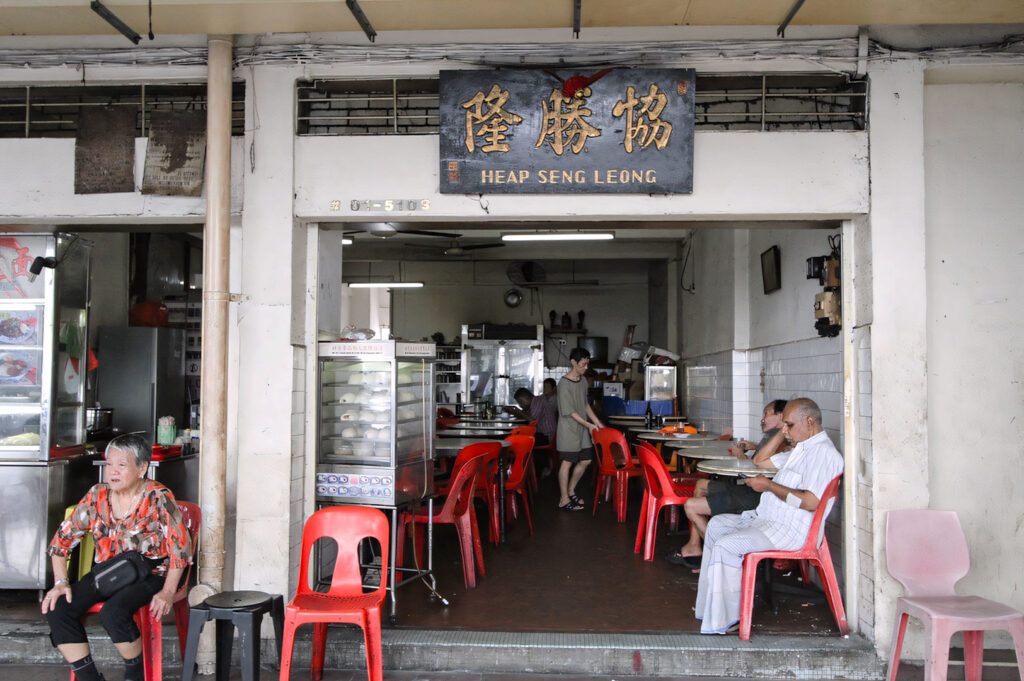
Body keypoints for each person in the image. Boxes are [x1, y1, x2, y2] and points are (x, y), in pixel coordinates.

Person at [42, 433, 191, 681]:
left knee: (113, 612)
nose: (113, 471)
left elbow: (180, 548)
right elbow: (60, 543)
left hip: (153, 572)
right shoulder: (96, 496)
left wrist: (167, 591)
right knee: (58, 608)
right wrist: (60, 583)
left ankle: (136, 672)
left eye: (122, 465)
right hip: (110, 572)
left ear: (142, 468)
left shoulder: (158, 497)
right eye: (109, 464)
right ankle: (90, 678)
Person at [694, 398, 843, 634]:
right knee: (717, 525)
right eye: (784, 424)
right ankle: (710, 609)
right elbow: (760, 460)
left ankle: (729, 619)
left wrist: (769, 487)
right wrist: (784, 433)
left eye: (790, 425)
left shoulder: (824, 454)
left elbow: (810, 502)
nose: (785, 430)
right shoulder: (801, 449)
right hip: (767, 522)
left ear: (810, 422)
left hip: (789, 532)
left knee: (726, 545)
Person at [666, 399, 791, 567]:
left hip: (757, 495)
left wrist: (740, 454)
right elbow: (761, 462)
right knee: (701, 484)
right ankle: (695, 545)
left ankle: (723, 555)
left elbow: (756, 466)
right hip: (752, 490)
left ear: (780, 416)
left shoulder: (779, 438)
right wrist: (753, 447)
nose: (762, 419)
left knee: (691, 506)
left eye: (767, 414)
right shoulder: (773, 437)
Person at [556, 347, 603, 511]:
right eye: (583, 364)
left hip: (583, 428)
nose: (586, 368)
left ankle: (570, 491)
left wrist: (597, 422)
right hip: (569, 429)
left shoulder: (582, 381)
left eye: (587, 364)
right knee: (567, 462)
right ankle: (563, 499)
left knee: (586, 460)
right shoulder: (563, 383)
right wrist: (589, 425)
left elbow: (584, 404)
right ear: (573, 362)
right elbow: (569, 411)